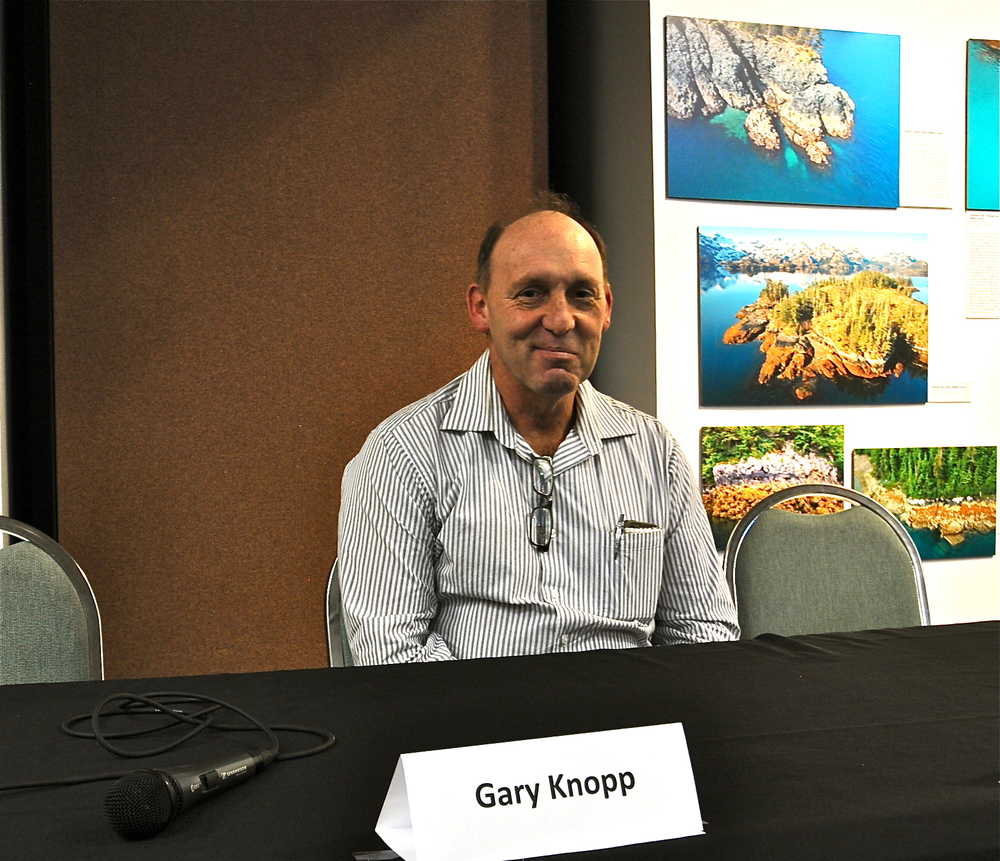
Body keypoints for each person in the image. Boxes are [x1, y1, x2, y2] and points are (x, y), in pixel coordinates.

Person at [338, 195, 738, 664]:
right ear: (481, 307)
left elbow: (704, 633)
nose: (561, 319)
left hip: (629, 723)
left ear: (606, 308)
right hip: (479, 727)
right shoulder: (404, 452)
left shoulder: (652, 451)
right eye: (531, 293)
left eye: (582, 294)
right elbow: (391, 655)